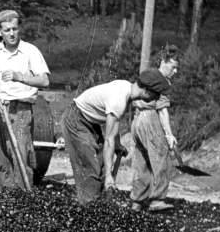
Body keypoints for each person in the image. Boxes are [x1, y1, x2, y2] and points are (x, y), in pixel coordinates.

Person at [62, 69, 171, 205]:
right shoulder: (119, 100)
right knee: (91, 167)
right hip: (76, 119)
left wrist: (117, 144)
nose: (155, 100)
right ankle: (88, 208)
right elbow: (109, 140)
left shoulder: (127, 88)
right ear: (147, 91)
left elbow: (114, 124)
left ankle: (98, 204)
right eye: (155, 96)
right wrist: (109, 175)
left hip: (90, 122)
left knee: (101, 165)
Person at [0, 9, 50, 191]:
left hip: (21, 109)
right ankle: (6, 198)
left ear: (19, 29)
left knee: (21, 152)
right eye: (7, 30)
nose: (11, 33)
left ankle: (23, 198)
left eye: (14, 29)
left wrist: (20, 77)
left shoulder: (30, 51)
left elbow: (44, 80)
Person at [130, 49, 180, 212]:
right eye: (173, 67)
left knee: (141, 161)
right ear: (163, 62)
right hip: (150, 118)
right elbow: (162, 110)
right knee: (160, 157)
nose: (175, 71)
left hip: (137, 119)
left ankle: (137, 201)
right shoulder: (163, 82)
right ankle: (157, 200)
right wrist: (169, 134)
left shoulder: (147, 74)